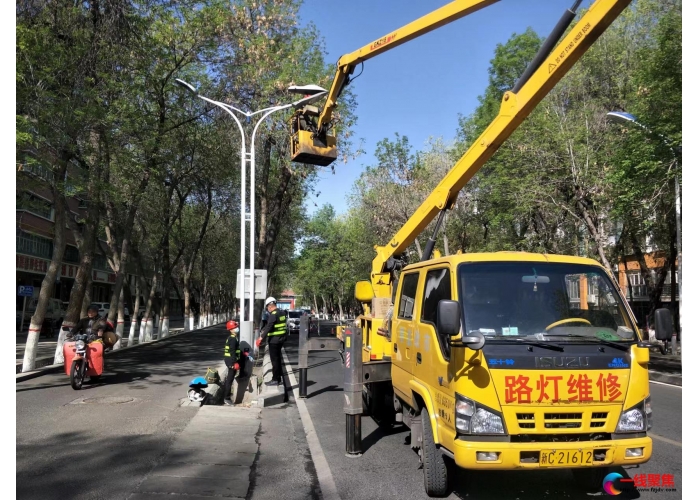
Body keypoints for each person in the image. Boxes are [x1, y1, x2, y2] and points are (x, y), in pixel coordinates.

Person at [255, 297, 287, 386]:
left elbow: (269, 327)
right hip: (281, 339)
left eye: (267, 307)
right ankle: (279, 378)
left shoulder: (273, 314)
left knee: (275, 361)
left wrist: (261, 338)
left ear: (270, 306)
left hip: (274, 340)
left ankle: (275, 379)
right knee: (278, 359)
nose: (267, 309)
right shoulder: (282, 312)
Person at [223, 320, 242, 406]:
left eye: (236, 327)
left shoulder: (233, 338)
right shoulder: (233, 339)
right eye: (234, 327)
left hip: (230, 360)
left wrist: (242, 353)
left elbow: (235, 350)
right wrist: (234, 363)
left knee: (230, 379)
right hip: (231, 361)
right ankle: (226, 398)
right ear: (230, 329)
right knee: (229, 380)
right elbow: (232, 351)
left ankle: (227, 397)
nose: (237, 328)